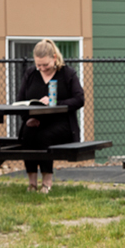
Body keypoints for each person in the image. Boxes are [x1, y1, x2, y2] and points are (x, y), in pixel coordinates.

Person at [16, 39, 84, 193]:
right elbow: (20, 100)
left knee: (43, 137)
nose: (41, 68)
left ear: (54, 58)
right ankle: (32, 183)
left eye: (45, 65)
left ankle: (47, 182)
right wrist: (28, 118)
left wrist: (56, 103)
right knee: (27, 134)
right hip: (35, 120)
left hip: (61, 123)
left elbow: (79, 99)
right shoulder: (31, 74)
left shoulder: (67, 74)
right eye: (38, 65)